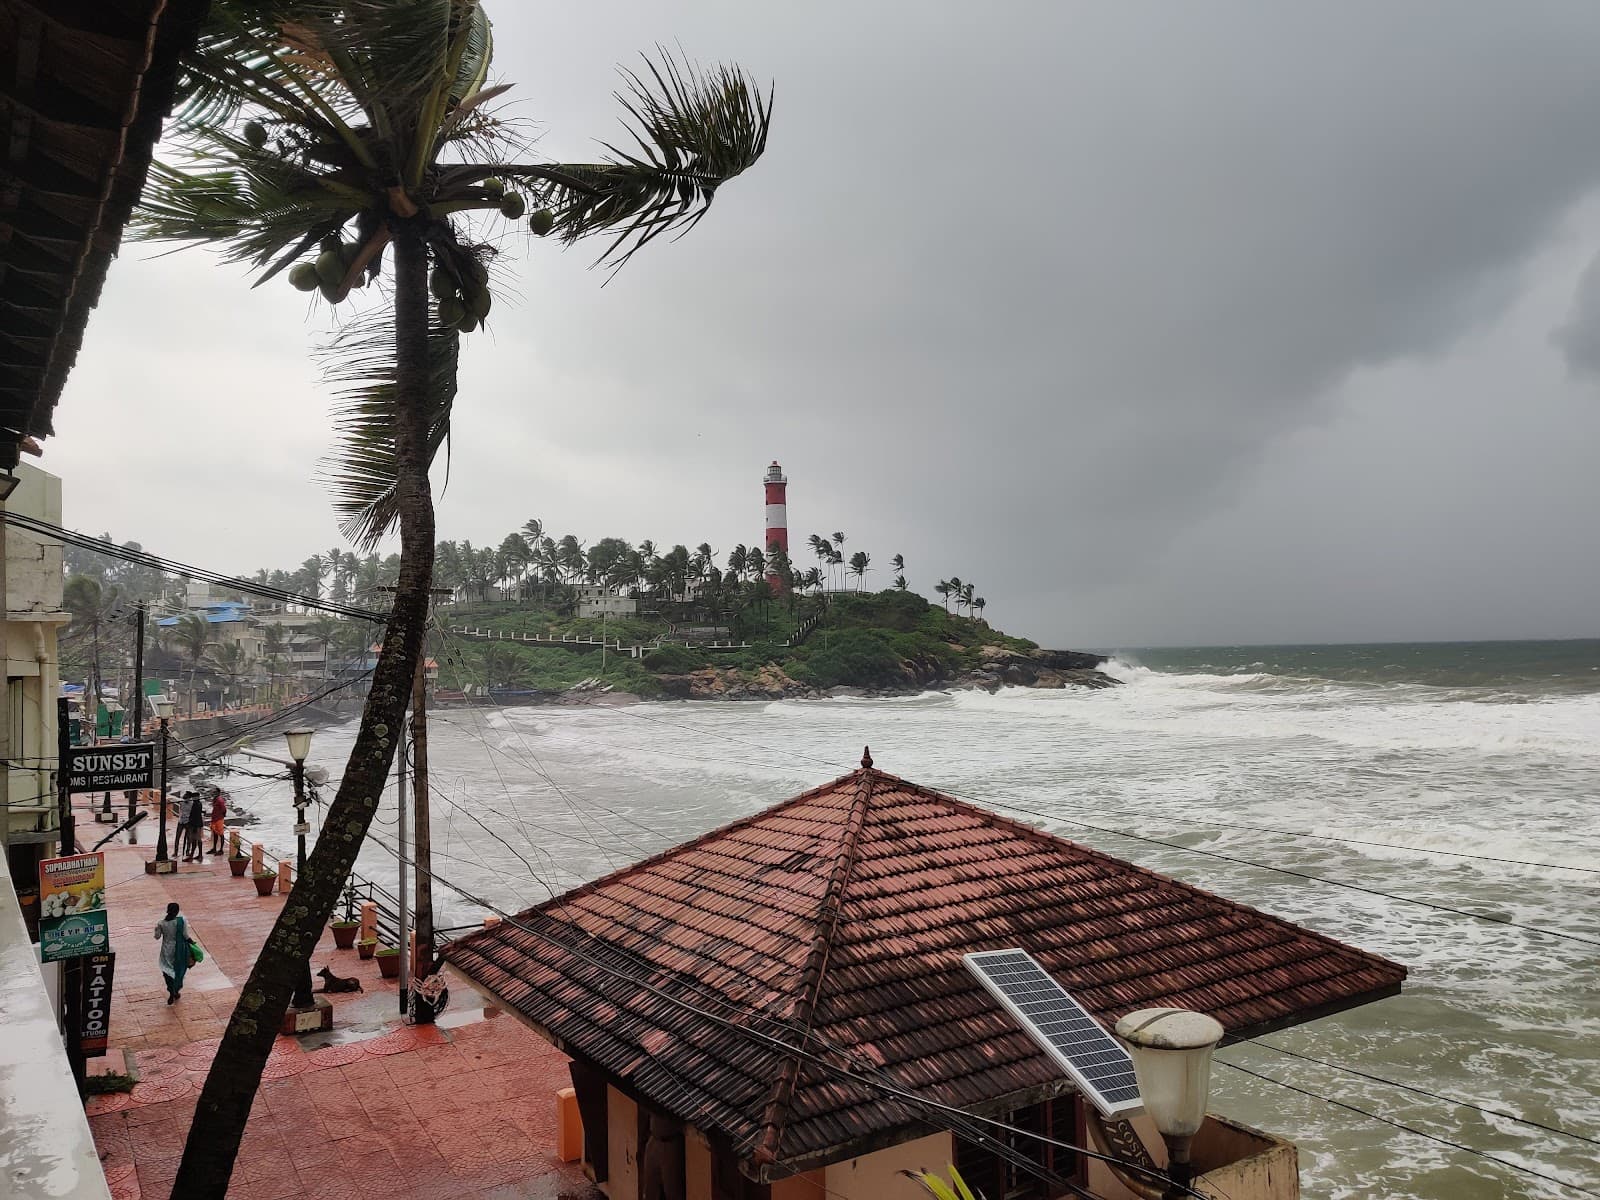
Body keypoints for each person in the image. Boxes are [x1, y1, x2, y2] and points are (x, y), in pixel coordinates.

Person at [154, 902, 190, 1004]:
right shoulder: (181, 921)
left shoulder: (161, 923)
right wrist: (192, 943)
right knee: (178, 970)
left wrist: (156, 929)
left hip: (166, 951)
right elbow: (186, 935)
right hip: (179, 950)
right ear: (177, 911)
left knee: (166, 970)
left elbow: (157, 937)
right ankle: (176, 990)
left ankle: (171, 991)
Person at [208, 789, 227, 855]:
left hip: (219, 819)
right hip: (214, 819)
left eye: (215, 792)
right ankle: (214, 848)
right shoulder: (215, 799)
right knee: (215, 833)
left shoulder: (220, 800)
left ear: (218, 793)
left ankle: (221, 850)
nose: (213, 793)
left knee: (221, 834)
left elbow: (224, 809)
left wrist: (222, 816)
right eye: (213, 792)